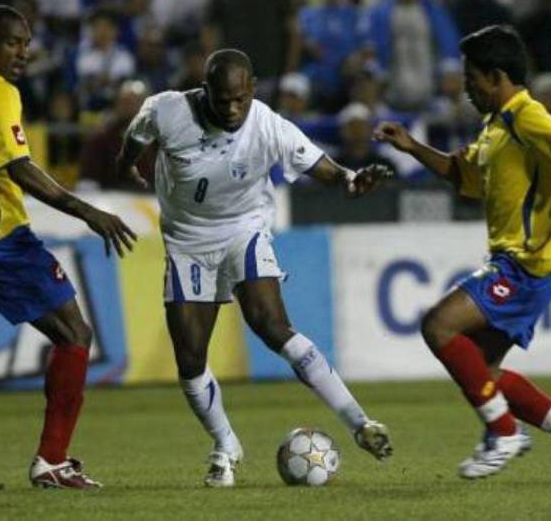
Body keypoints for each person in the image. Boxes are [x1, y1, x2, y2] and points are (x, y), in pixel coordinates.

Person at [116, 49, 393, 487]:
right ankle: (226, 445)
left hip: (244, 230)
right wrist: (129, 160)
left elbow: (323, 167)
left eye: (240, 99)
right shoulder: (167, 110)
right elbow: (136, 135)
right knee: (189, 359)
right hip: (187, 242)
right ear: (205, 90)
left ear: (253, 89)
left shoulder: (267, 125)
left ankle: (360, 423)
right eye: (222, 99)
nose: (231, 109)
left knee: (271, 325)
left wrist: (349, 180)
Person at [0, 5, 137, 490]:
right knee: (74, 334)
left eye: (27, 44)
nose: (23, 53)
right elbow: (18, 167)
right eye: (14, 42)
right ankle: (52, 461)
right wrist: (88, 211)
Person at [375, 25, 551, 479]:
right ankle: (517, 423)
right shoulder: (496, 126)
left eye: (472, 78)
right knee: (481, 368)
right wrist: (412, 147)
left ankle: (504, 433)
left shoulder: (526, 117)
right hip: (514, 264)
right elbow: (463, 177)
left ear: (496, 76)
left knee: (439, 325)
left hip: (526, 265)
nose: (466, 87)